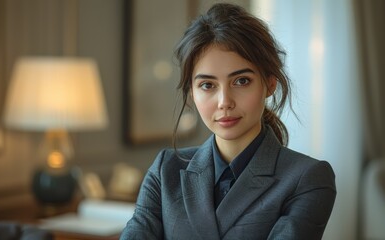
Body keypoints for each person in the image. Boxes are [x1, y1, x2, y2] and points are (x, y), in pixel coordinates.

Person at [120, 3, 336, 240]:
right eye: (207, 85)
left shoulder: (308, 178)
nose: (224, 102)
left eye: (241, 81)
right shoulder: (166, 169)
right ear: (192, 94)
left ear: (270, 84)